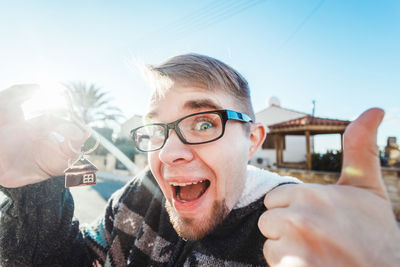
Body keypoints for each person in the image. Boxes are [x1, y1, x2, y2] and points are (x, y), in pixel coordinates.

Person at [0, 54, 398, 266]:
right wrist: (31, 189)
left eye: (205, 123)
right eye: (156, 129)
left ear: (253, 139)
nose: (169, 152)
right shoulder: (136, 200)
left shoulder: (303, 234)